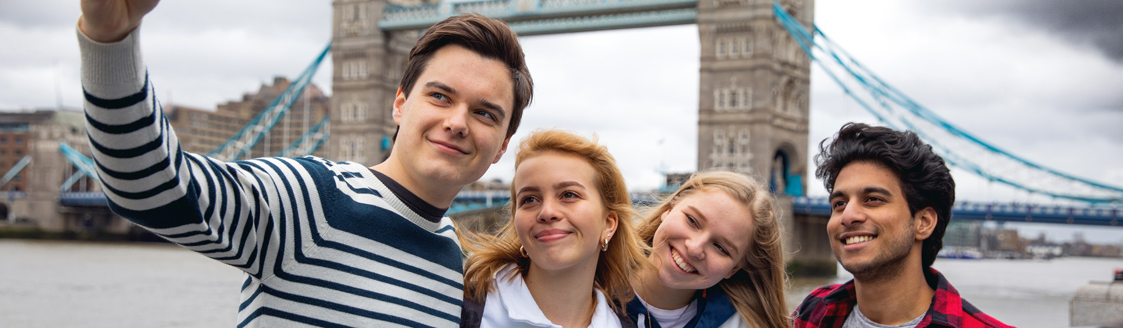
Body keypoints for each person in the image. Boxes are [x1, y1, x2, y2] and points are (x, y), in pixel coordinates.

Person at [76, 0, 533, 326]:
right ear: (399, 104)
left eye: (484, 113)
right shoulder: (312, 199)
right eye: (440, 96)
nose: (457, 122)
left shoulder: (463, 274)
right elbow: (151, 188)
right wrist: (110, 41)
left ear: (501, 148)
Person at [793, 123, 1010, 328]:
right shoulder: (809, 315)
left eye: (873, 199)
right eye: (839, 204)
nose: (847, 216)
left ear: (923, 223)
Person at [461, 130, 647, 328]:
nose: (547, 212)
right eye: (529, 199)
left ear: (608, 224)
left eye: (569, 195)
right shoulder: (461, 309)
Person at [628, 171, 790, 328]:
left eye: (720, 248)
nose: (694, 248)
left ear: (733, 269)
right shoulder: (602, 286)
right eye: (692, 220)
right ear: (669, 210)